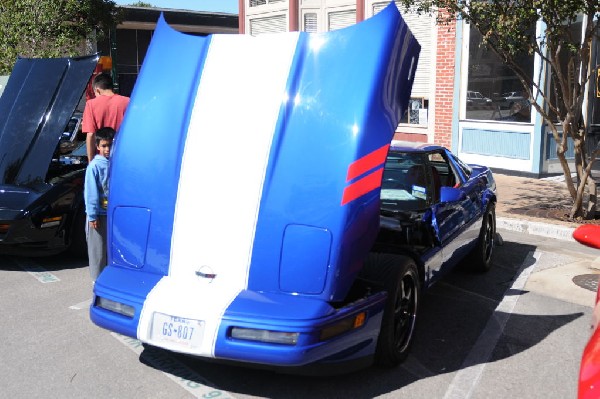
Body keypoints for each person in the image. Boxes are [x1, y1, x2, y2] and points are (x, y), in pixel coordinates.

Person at [84, 127, 114, 281]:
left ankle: (108, 282)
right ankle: (97, 283)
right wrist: (92, 215)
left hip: (111, 214)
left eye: (110, 145)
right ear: (97, 146)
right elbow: (91, 193)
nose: (107, 149)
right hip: (97, 217)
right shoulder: (94, 166)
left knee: (109, 252)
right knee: (98, 254)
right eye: (104, 146)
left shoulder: (115, 163)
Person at [82, 73, 129, 162]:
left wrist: (91, 162)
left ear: (97, 90)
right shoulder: (127, 102)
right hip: (123, 159)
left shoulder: (91, 104)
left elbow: (91, 135)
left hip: (101, 160)